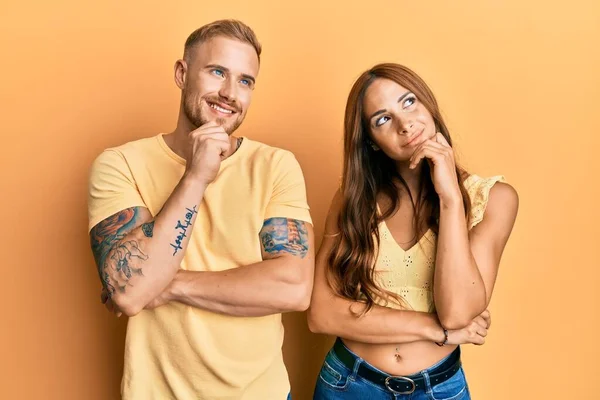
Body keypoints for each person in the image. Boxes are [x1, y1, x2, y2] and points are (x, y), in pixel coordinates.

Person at [87, 19, 314, 400]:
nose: (229, 93)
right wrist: (196, 176)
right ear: (182, 72)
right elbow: (129, 293)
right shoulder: (119, 164)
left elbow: (294, 288)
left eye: (245, 81)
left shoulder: (276, 165)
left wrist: (167, 284)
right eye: (217, 72)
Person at [308, 63, 518, 399]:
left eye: (409, 102)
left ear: (428, 105)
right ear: (372, 142)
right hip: (347, 384)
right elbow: (320, 313)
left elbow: (457, 312)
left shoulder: (492, 199)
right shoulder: (352, 198)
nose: (405, 124)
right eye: (383, 119)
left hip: (438, 389)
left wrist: (450, 199)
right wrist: (436, 330)